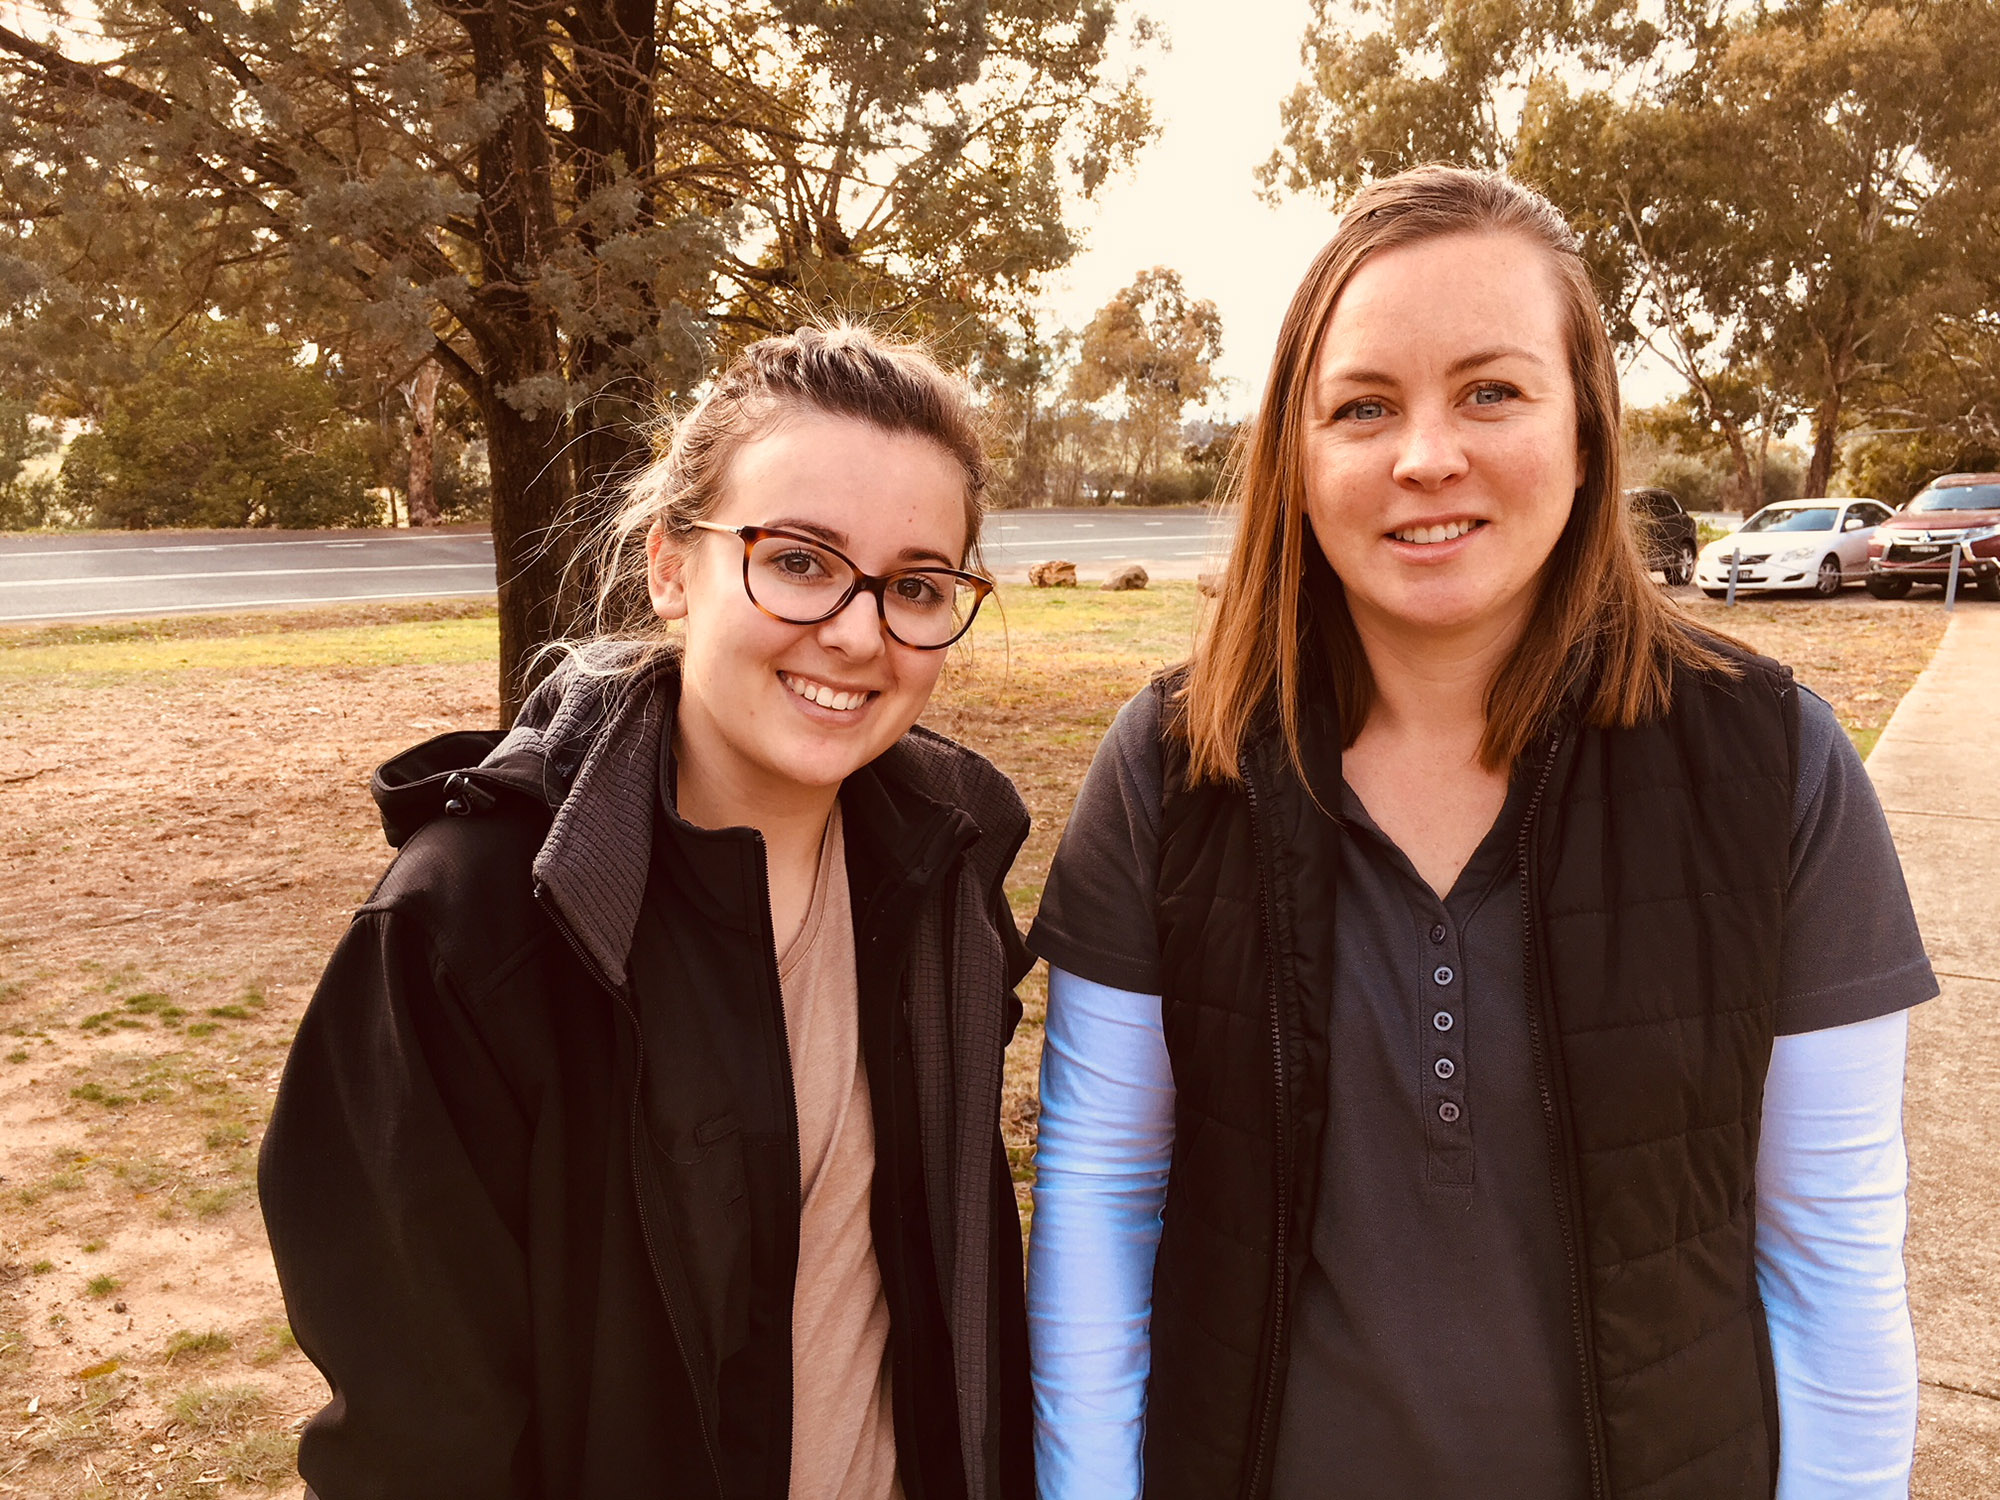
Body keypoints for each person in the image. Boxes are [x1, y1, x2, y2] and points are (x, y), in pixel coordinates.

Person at [1025, 167, 1932, 1500]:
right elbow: (1103, 1200)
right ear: (1298, 452)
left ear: (1587, 432)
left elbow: (1830, 1258)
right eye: (1364, 406)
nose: (1425, 456)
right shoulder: (1172, 768)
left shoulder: (1775, 763)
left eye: (1492, 391)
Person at [260, 325, 1036, 1500]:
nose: (858, 631)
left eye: (916, 586)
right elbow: (416, 1442)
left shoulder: (944, 873)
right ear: (671, 565)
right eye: (798, 560)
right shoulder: (471, 930)